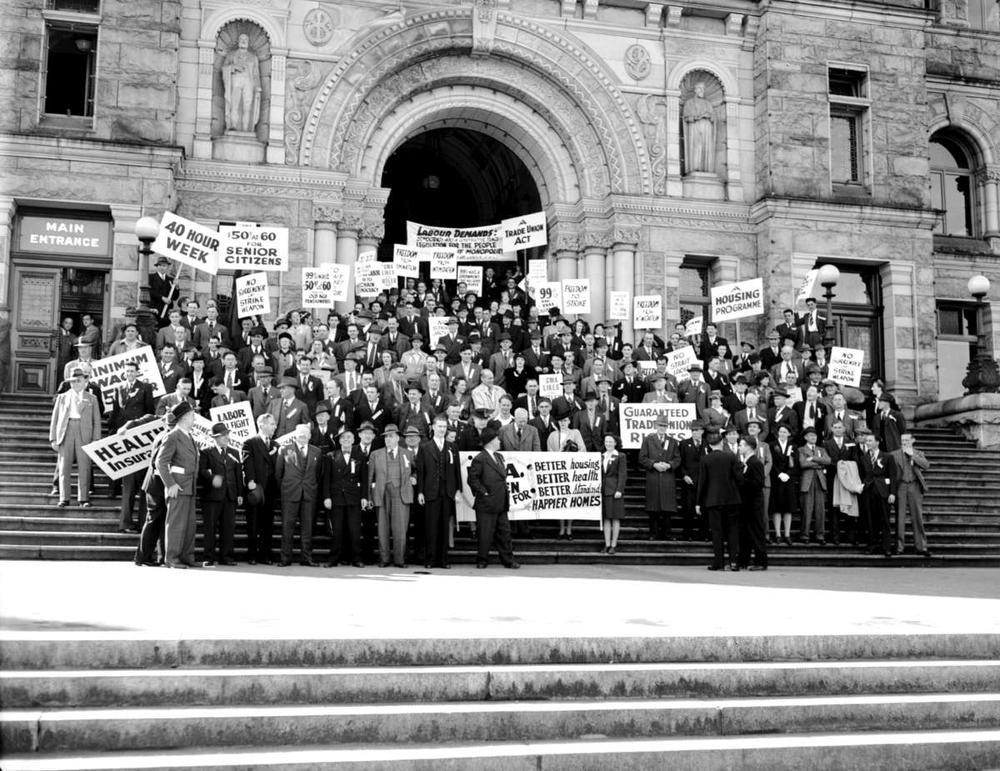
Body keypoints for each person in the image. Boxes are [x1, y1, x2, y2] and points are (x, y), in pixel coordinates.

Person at [109, 361, 156, 531]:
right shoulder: (119, 388)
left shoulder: (146, 387)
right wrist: (112, 433)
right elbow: (115, 412)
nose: (129, 374)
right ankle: (125, 523)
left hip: (141, 441)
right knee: (128, 487)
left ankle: (144, 522)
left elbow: (150, 412)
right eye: (127, 371)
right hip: (123, 440)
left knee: (144, 486)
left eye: (132, 371)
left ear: (137, 373)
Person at [156, 401, 201, 568]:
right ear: (184, 418)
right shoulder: (173, 436)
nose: (194, 418)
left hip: (189, 487)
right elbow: (161, 462)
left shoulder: (189, 436)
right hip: (179, 488)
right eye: (192, 415)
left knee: (189, 526)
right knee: (176, 525)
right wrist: (171, 484)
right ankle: (172, 558)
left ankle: (187, 556)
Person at [414, 414, 462, 569]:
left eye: (444, 426)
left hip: (447, 492)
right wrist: (420, 492)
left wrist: (458, 490)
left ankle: (443, 560)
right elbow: (421, 471)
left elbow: (456, 471)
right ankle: (430, 559)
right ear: (433, 427)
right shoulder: (424, 447)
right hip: (430, 492)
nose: (442, 429)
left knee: (444, 527)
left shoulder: (452, 447)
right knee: (431, 526)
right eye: (439, 426)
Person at [467, 427, 519, 569]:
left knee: (504, 533)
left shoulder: (499, 457)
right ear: (490, 442)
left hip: (501, 502)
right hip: (486, 504)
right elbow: (472, 479)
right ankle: (482, 559)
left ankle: (508, 560)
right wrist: (484, 492)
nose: (499, 440)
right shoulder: (480, 459)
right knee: (485, 533)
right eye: (497, 438)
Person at [49, 367, 102, 508]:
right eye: (72, 381)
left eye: (78, 381)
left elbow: (96, 420)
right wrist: (53, 438)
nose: (75, 384)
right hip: (66, 432)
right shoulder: (62, 397)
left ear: (84, 381)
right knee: (64, 466)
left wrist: (96, 438)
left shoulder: (92, 398)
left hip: (84, 432)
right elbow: (55, 419)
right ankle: (64, 498)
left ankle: (83, 498)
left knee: (84, 466)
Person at [697, 430, 744, 570]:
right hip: (732, 499)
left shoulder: (705, 459)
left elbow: (702, 482)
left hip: (713, 500)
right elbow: (739, 478)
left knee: (717, 532)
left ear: (709, 446)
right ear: (722, 442)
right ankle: (734, 562)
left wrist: (698, 502)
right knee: (732, 531)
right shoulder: (731, 456)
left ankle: (718, 562)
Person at [275, 423, 322, 566]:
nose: (303, 437)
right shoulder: (284, 449)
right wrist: (285, 489)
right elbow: (279, 474)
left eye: (305, 434)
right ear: (295, 435)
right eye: (300, 434)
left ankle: (306, 558)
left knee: (307, 529)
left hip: (308, 494)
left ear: (309, 436)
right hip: (290, 494)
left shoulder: (317, 452)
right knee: (287, 528)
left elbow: (318, 474)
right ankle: (285, 558)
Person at [198, 422, 244, 567]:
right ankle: (209, 557)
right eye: (223, 436)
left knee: (228, 527)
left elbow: (238, 475)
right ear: (215, 438)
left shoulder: (234, 452)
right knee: (210, 528)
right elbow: (201, 471)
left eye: (227, 435)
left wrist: (239, 494)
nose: (226, 438)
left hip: (230, 496)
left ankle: (227, 556)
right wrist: (212, 478)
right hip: (212, 496)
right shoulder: (206, 452)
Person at [322, 427, 369, 567]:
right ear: (339, 441)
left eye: (349, 437)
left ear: (354, 440)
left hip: (354, 498)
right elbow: (326, 479)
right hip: (337, 498)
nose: (346, 440)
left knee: (354, 531)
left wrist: (364, 497)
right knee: (337, 531)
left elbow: (364, 479)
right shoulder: (330, 456)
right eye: (343, 438)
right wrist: (326, 497)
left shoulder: (360, 456)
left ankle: (357, 558)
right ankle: (333, 559)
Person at [369, 424, 413, 568]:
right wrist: (369, 496)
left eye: (391, 436)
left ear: (398, 438)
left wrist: (414, 477)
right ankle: (385, 559)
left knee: (400, 528)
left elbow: (417, 470)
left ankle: (399, 560)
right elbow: (370, 477)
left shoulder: (407, 453)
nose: (388, 439)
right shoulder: (376, 454)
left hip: (401, 493)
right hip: (382, 493)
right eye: (386, 437)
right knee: (383, 528)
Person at [135, 411, 174, 566]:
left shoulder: (162, 435)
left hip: (154, 483)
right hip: (156, 484)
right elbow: (158, 463)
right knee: (153, 521)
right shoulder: (166, 437)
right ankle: (143, 557)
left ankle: (156, 556)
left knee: (157, 521)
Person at [242, 412, 279, 565]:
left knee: (267, 524)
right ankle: (252, 555)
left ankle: (265, 554)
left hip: (270, 490)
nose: (274, 427)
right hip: (256, 489)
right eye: (271, 424)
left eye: (275, 424)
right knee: (253, 523)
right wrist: (250, 480)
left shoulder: (275, 444)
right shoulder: (250, 442)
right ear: (262, 425)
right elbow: (247, 463)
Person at [638, 414, 681, 540]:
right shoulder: (647, 439)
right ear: (655, 426)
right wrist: (654, 464)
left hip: (667, 478)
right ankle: (653, 533)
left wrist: (669, 465)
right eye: (660, 425)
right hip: (653, 477)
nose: (662, 428)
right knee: (653, 508)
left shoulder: (672, 441)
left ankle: (667, 533)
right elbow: (642, 458)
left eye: (664, 426)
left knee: (668, 508)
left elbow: (677, 458)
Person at [547, 404, 585, 540]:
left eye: (565, 421)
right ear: (558, 422)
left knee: (570, 502)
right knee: (559, 501)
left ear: (569, 421)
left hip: (572, 471)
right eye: (561, 421)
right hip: (558, 472)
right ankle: (561, 528)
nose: (563, 423)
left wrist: (571, 454)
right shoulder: (552, 435)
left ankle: (569, 529)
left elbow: (583, 449)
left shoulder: (575, 433)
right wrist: (560, 452)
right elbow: (548, 452)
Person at [858, 429, 898, 558]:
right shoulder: (863, 458)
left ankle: (886, 547)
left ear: (877, 442)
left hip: (883, 492)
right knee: (870, 520)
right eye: (867, 441)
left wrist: (892, 493)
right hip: (869, 492)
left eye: (870, 440)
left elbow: (893, 476)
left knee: (885, 520)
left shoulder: (887, 457)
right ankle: (872, 545)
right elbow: (862, 475)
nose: (867, 442)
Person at [891, 432, 931, 558]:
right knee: (900, 517)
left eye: (907, 441)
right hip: (901, 486)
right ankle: (899, 547)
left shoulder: (918, 453)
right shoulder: (894, 454)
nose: (904, 443)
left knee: (917, 517)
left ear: (912, 441)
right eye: (902, 440)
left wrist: (912, 455)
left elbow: (926, 465)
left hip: (914, 486)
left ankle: (921, 547)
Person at [737, 436, 768, 571]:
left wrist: (741, 480)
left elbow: (759, 483)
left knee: (756, 532)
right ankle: (743, 560)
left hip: (754, 504)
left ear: (749, 446)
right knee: (745, 533)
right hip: (746, 503)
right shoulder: (747, 462)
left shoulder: (755, 463)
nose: (739, 447)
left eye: (741, 445)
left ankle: (761, 562)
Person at [798, 425, 831, 544]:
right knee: (807, 509)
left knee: (820, 510)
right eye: (811, 435)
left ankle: (820, 535)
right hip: (807, 482)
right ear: (806, 437)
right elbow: (802, 464)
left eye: (815, 435)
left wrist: (812, 458)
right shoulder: (801, 450)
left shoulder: (821, 449)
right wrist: (819, 464)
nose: (813, 437)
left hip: (820, 481)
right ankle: (804, 535)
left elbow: (828, 461)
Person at [678, 420, 709, 540]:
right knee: (688, 509)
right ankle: (687, 534)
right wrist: (684, 475)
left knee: (704, 509)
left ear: (702, 431)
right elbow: (680, 462)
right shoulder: (684, 444)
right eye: (693, 430)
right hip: (688, 481)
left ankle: (704, 534)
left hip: (703, 482)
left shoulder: (707, 444)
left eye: (697, 430)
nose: (695, 432)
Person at [770, 424, 798, 546]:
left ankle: (787, 534)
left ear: (789, 434)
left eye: (785, 432)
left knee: (788, 508)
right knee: (777, 508)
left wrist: (788, 474)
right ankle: (777, 534)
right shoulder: (772, 445)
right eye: (780, 432)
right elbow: (771, 461)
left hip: (789, 479)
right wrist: (779, 473)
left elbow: (795, 463)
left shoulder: (793, 446)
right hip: (776, 479)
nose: (782, 434)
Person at [600, 432, 628, 555]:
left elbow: (623, 474)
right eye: (606, 441)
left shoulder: (620, 456)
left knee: (615, 518)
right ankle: (606, 544)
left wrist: (619, 490)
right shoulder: (602, 456)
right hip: (604, 490)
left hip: (615, 490)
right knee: (606, 518)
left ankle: (613, 545)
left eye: (610, 442)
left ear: (615, 443)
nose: (608, 444)